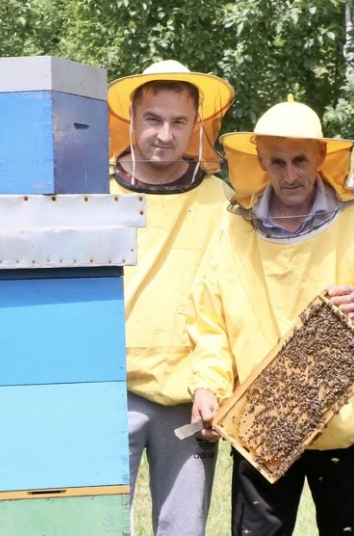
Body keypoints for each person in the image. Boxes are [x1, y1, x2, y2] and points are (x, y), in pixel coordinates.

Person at [187, 97, 354, 536]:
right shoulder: (234, 228)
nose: (289, 174)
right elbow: (210, 319)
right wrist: (208, 384)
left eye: (300, 160)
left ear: (321, 156)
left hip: (345, 428)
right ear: (260, 161)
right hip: (262, 425)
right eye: (276, 162)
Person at [107, 60, 234, 536]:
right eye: (153, 119)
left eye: (179, 121)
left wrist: (213, 384)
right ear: (132, 121)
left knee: (182, 530)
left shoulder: (220, 199)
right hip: (104, 387)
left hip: (189, 397)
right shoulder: (95, 195)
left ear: (196, 126)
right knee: (92, 520)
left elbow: (228, 300)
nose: (165, 133)